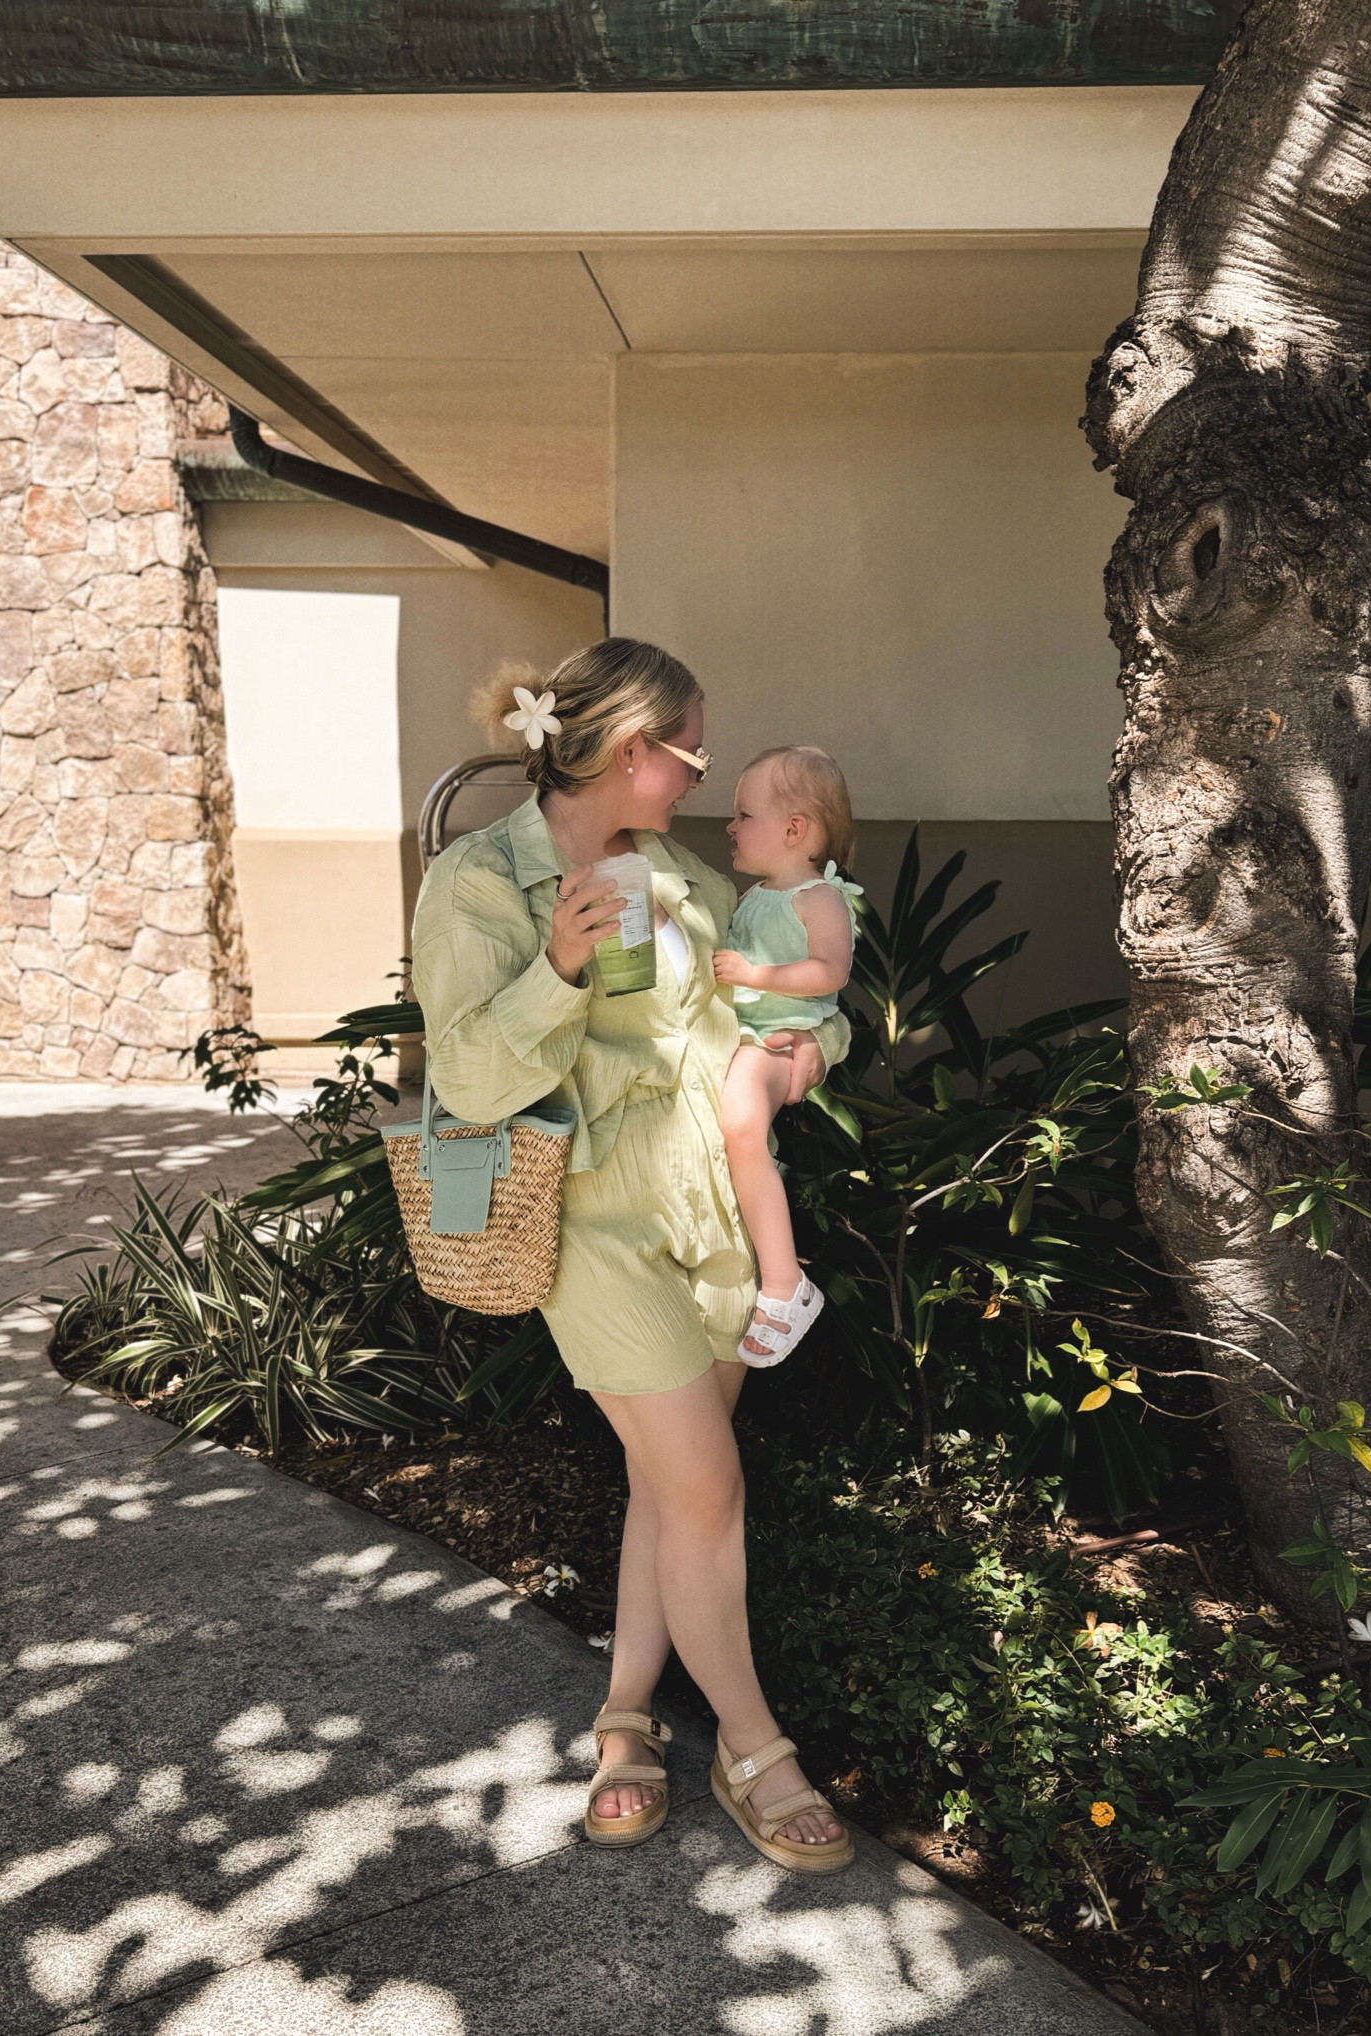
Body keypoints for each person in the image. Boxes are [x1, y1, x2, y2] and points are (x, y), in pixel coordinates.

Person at [409, 637, 854, 1874]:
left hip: (709, 1214)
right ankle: (754, 1746)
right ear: (628, 749)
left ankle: (622, 1721)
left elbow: (760, 1014)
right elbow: (473, 1080)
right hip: (588, 1226)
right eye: (691, 751)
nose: (700, 780)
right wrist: (555, 967)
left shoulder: (676, 873)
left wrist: (811, 1050)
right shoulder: (479, 879)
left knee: (672, 1488)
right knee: (706, 1485)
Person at [712, 748, 860, 1366]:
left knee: (742, 1126)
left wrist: (757, 972)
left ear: (795, 829)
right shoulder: (756, 894)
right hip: (753, 1034)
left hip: (778, 1038)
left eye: (744, 814)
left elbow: (831, 970)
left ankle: (783, 1283)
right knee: (738, 1132)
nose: (730, 826)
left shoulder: (818, 896)